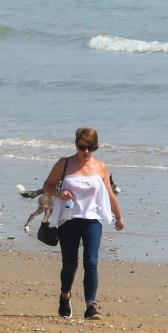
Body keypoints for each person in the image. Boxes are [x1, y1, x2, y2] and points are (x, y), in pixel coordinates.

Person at [43, 127, 124, 321]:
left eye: (91, 148)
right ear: (76, 145)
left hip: (93, 220)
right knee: (70, 264)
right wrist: (59, 193)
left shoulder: (101, 167)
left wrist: (119, 217)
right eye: (82, 147)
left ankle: (91, 306)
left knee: (91, 261)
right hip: (68, 220)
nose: (86, 152)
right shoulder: (64, 164)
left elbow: (110, 194)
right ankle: (65, 296)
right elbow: (47, 185)